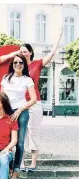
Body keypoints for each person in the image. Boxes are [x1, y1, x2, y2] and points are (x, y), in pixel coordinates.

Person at [19, 27, 63, 171]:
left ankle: (33, 163)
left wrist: (59, 36)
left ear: (30, 52)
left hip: (34, 103)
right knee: (21, 132)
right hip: (20, 103)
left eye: (24, 51)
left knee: (33, 131)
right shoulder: (16, 66)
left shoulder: (37, 64)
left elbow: (52, 54)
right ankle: (21, 162)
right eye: (20, 51)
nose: (22, 53)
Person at [0, 54, 37, 179]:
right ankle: (8, 168)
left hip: (21, 112)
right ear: (12, 64)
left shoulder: (27, 80)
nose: (18, 65)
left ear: (24, 65)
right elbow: (1, 96)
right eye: (15, 62)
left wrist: (21, 109)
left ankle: (16, 170)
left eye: (21, 62)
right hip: (7, 111)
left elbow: (34, 99)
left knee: (20, 143)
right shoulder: (6, 78)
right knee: (7, 140)